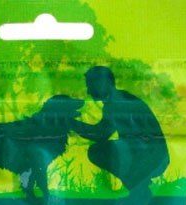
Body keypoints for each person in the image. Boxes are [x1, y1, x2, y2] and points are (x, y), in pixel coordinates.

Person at [72, 66, 170, 194]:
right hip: (152, 156)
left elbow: (100, 134)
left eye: (90, 86)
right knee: (101, 151)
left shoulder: (119, 102)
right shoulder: (118, 100)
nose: (89, 91)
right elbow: (101, 133)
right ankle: (138, 186)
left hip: (152, 157)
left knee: (98, 151)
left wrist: (70, 123)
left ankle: (137, 186)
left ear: (104, 82)